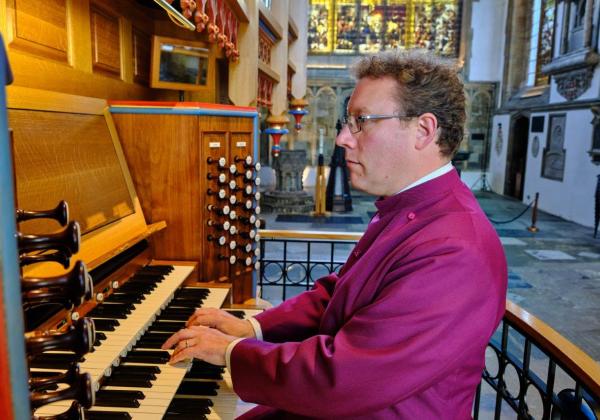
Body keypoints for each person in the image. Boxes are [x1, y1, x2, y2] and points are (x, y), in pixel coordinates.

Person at [162, 49, 508, 419]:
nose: (344, 137)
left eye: (362, 121)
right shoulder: (410, 209)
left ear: (423, 130)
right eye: (347, 121)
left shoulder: (454, 248)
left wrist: (229, 351)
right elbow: (338, 296)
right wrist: (251, 328)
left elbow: (347, 377)